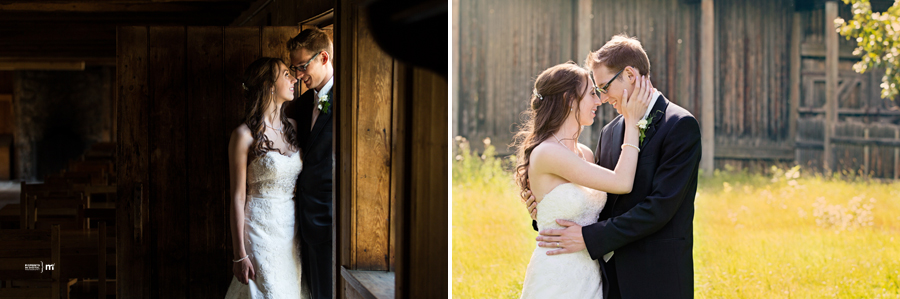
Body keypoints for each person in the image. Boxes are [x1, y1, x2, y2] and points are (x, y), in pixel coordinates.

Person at [525, 34, 702, 299]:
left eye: (604, 87)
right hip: (609, 279)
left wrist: (588, 238)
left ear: (630, 75)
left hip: (658, 276)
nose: (603, 98)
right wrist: (546, 210)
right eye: (595, 92)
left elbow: (660, 208)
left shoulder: (679, 125)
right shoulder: (610, 132)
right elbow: (599, 200)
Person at [515, 61, 653, 298]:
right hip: (558, 275)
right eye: (591, 93)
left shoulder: (585, 154)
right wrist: (632, 122)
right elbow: (622, 183)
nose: (599, 101)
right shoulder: (548, 153)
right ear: (569, 99)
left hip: (590, 273)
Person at [224, 57, 309, 298]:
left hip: (291, 232)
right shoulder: (243, 135)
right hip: (259, 232)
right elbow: (238, 198)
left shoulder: (293, 127)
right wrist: (239, 253)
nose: (293, 78)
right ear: (269, 85)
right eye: (285, 74)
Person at [284, 27, 335, 299]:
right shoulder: (302, 104)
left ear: (324, 58)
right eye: (295, 69)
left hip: (332, 221)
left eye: (303, 67)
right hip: (299, 223)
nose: (299, 76)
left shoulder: (350, 100)